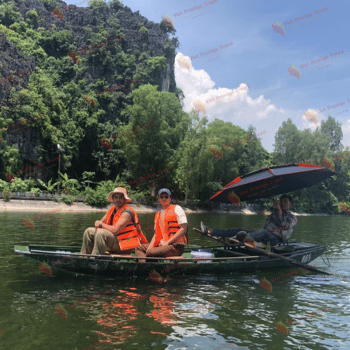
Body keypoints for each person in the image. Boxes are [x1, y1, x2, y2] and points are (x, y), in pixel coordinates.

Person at [200, 195, 298, 247]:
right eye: (281, 201)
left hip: (276, 240)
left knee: (264, 232)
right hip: (264, 236)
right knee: (238, 229)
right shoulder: (275, 213)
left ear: (291, 205)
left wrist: (280, 212)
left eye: (285, 202)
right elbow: (266, 226)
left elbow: (284, 226)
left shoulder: (293, 218)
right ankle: (210, 231)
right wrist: (277, 212)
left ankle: (241, 238)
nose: (282, 203)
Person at [81, 186, 148, 255]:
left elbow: (115, 230)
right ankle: (84, 257)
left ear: (125, 199)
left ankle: (95, 260)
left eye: (120, 197)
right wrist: (99, 225)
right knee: (88, 231)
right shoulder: (112, 210)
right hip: (116, 242)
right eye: (116, 197)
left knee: (101, 233)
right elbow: (99, 223)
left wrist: (101, 225)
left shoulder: (127, 213)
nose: (118, 200)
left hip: (125, 246)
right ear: (113, 199)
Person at [135, 188, 188, 260]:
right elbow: (156, 235)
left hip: (176, 246)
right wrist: (149, 249)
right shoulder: (158, 214)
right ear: (159, 199)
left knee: (151, 252)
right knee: (139, 248)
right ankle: (145, 266)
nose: (164, 198)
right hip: (163, 245)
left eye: (166, 197)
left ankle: (147, 266)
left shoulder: (177, 208)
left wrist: (167, 242)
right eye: (161, 197)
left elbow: (183, 228)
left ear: (170, 198)